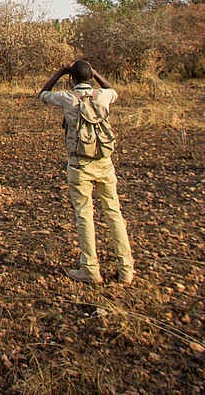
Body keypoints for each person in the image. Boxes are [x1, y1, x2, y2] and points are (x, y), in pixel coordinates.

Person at [38, 59, 134, 286]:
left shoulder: (68, 98)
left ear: (72, 79)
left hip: (79, 165)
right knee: (114, 213)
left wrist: (60, 72)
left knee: (84, 215)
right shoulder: (102, 96)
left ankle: (90, 268)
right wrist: (95, 72)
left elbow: (43, 94)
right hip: (104, 162)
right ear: (90, 78)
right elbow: (113, 90)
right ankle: (126, 269)